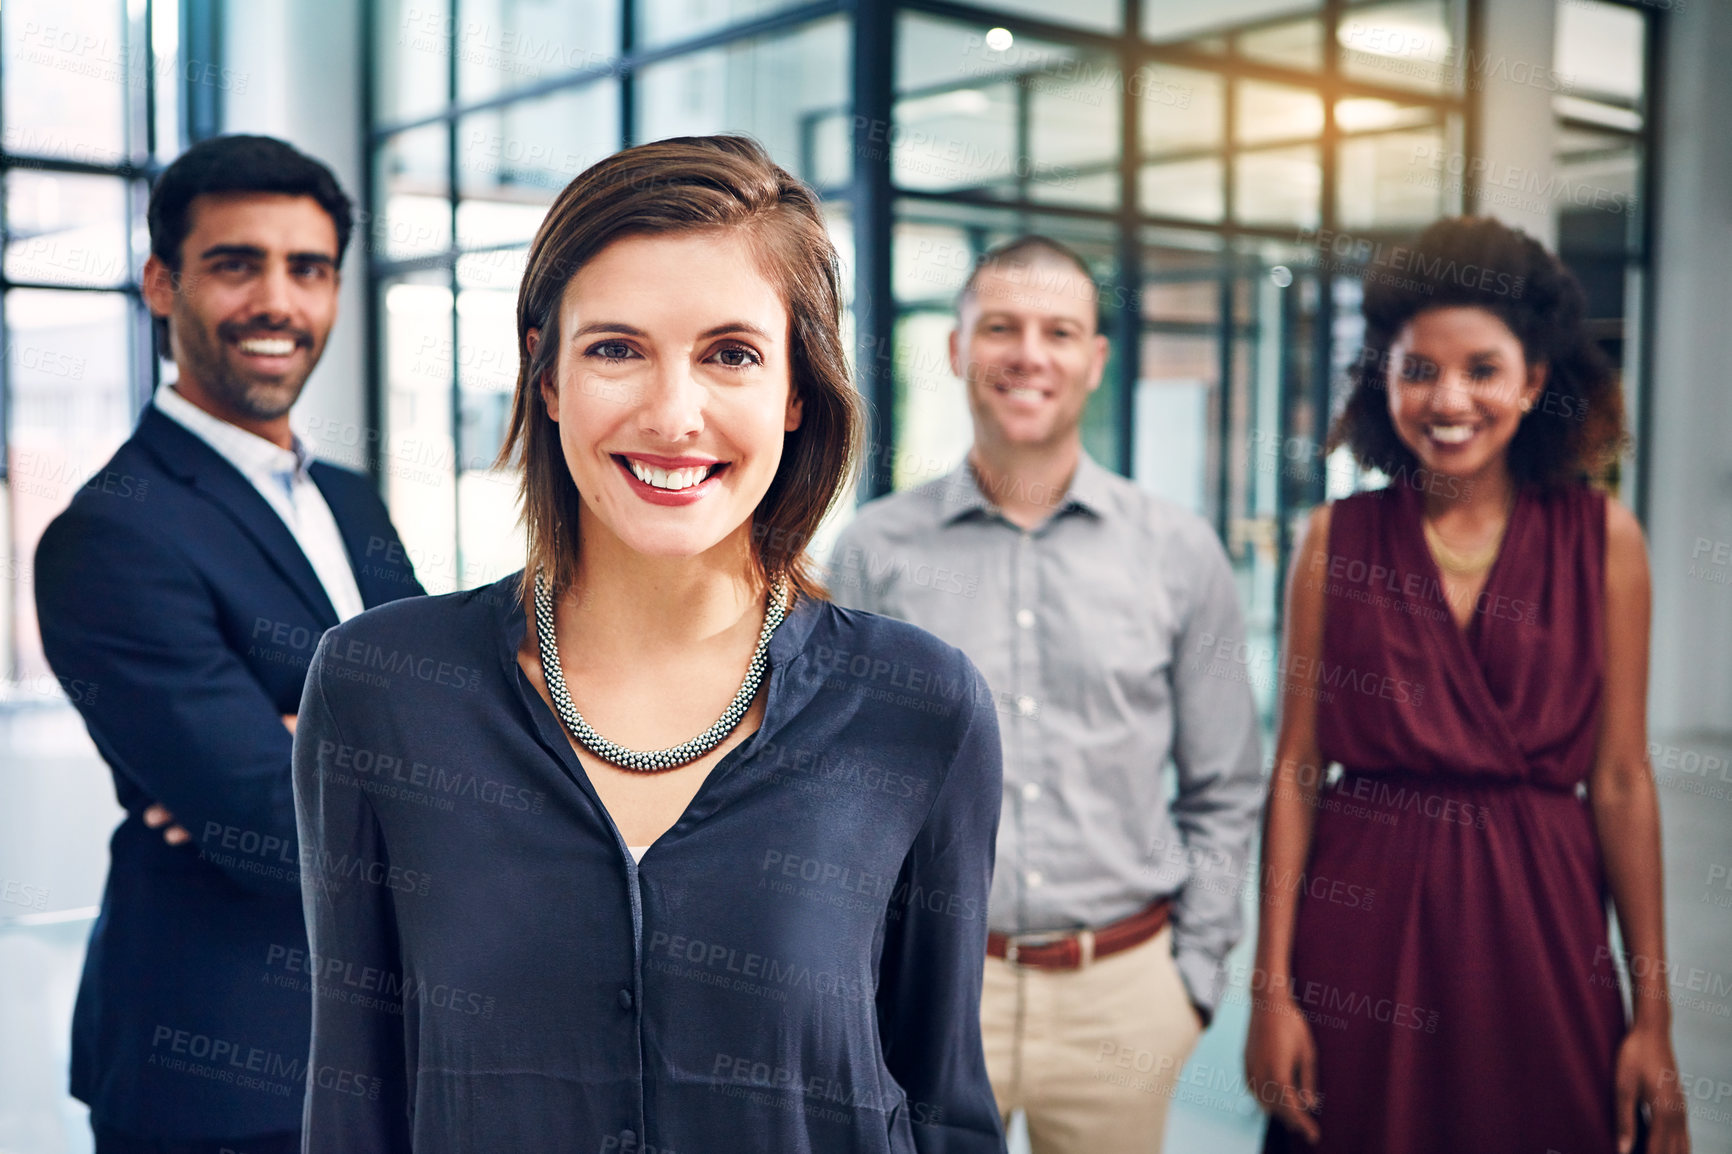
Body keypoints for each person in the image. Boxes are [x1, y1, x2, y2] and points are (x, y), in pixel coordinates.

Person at [293, 135, 1006, 1153]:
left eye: (732, 354)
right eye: (616, 348)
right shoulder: (382, 687)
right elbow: (353, 1100)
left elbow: (945, 1107)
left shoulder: (919, 705)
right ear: (545, 376)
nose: (674, 414)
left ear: (797, 389)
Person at [1246, 216, 1690, 1153]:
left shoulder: (1604, 540)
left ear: (1534, 381)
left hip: (1543, 930)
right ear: (1385, 379)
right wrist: (1271, 988)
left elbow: (1620, 780)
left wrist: (1654, 1019)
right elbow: (1295, 771)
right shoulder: (1336, 542)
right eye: (1419, 370)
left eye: (1482, 370)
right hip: (1362, 930)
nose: (1449, 399)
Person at [829, 236, 1263, 1153]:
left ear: (1094, 360)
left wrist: (1192, 979)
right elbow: (842, 785)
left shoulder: (1178, 551)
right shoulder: (876, 549)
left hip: (1124, 992)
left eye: (1059, 331)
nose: (1029, 354)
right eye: (1001, 328)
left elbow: (1226, 784)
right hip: (933, 988)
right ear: (956, 349)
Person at [34, 135, 424, 1153]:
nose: (277, 302)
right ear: (162, 283)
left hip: (396, 1054)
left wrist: (318, 746)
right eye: (235, 262)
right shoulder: (113, 530)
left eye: (309, 269)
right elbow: (268, 823)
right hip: (217, 1068)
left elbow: (458, 708)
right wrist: (384, 757)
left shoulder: (349, 497)